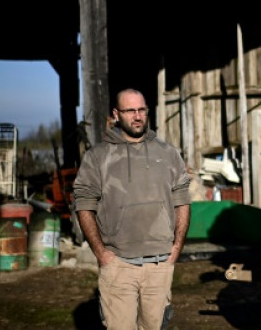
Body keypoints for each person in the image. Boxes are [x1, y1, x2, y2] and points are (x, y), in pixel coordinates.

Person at [73, 88, 190, 330]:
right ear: (116, 114)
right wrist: (101, 253)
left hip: (160, 266)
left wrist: (176, 248)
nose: (137, 116)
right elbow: (83, 204)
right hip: (119, 266)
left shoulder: (168, 154)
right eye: (130, 111)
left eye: (141, 110)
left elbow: (182, 201)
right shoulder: (98, 157)